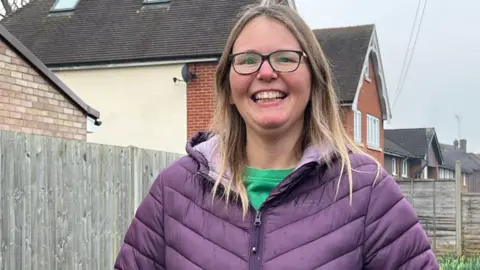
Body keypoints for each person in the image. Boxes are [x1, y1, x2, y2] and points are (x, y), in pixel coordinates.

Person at [114, 2, 439, 270]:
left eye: (285, 58)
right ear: (228, 86)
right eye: (248, 60)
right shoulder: (174, 191)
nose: (266, 72)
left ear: (313, 80)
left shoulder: (366, 192)